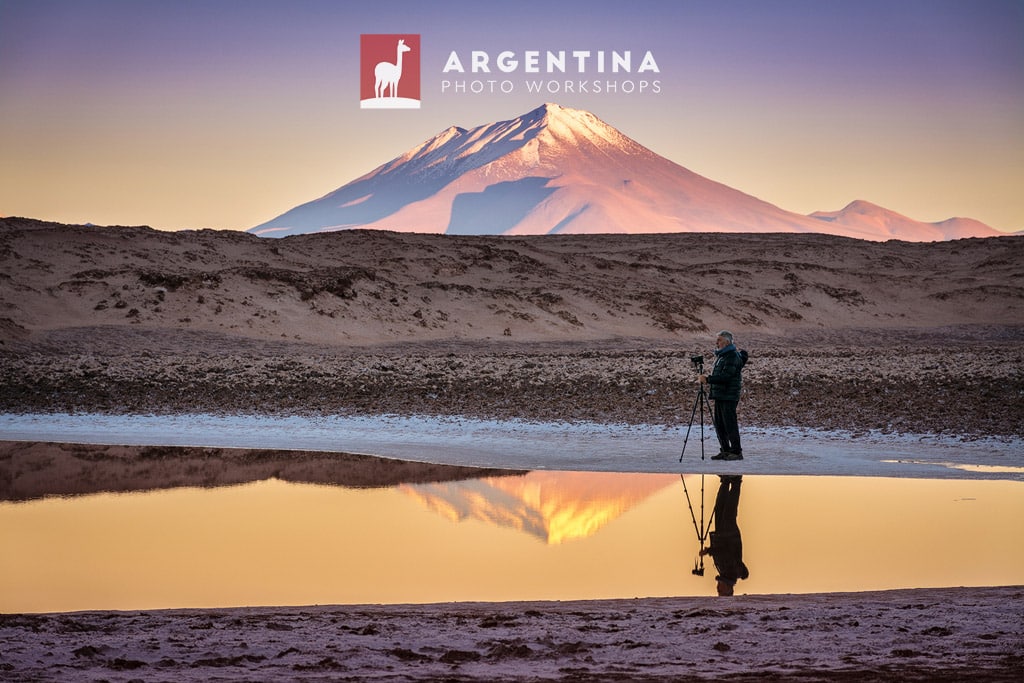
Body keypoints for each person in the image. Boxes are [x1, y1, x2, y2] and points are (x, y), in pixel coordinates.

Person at [698, 330, 746, 460]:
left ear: (727, 341)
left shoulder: (732, 356)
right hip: (720, 394)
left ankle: (736, 451)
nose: (716, 343)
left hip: (729, 395)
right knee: (720, 423)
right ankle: (725, 449)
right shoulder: (722, 356)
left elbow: (726, 377)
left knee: (729, 423)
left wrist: (708, 379)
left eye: (719, 340)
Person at [699, 475, 749, 596]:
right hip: (729, 535)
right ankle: (736, 481)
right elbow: (726, 553)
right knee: (729, 510)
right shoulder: (732, 572)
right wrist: (709, 551)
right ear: (728, 589)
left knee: (720, 508)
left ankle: (726, 482)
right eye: (720, 590)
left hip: (721, 536)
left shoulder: (725, 573)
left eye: (718, 590)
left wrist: (710, 551)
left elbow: (722, 554)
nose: (718, 588)